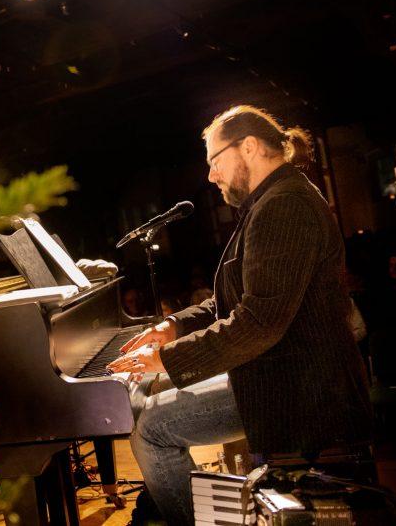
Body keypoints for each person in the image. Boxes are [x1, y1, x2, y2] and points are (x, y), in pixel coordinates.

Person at [108, 105, 373, 525]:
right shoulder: (271, 201)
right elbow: (231, 302)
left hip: (300, 387)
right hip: (280, 370)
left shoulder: (284, 205)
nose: (211, 176)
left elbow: (259, 322)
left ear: (248, 146)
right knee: (151, 400)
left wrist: (169, 360)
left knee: (152, 431)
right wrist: (172, 326)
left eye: (214, 160)